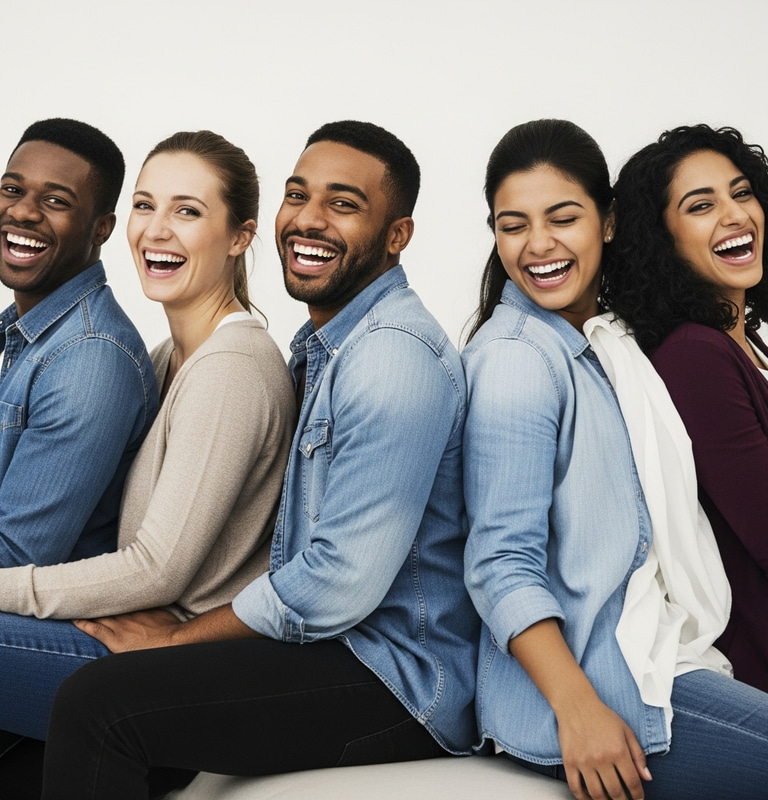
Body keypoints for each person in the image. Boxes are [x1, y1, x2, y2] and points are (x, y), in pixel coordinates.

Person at [39, 120, 479, 800]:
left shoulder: (392, 357)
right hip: (329, 647)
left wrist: (182, 643)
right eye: (298, 194)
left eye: (344, 203)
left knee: (100, 707)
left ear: (398, 237)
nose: (308, 219)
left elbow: (338, 581)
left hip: (393, 678)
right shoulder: (321, 344)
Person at [462, 119, 768, 800]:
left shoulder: (601, 347)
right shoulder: (518, 361)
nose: (538, 245)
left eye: (563, 217)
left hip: (664, 655)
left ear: (608, 224)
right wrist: (579, 709)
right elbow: (499, 562)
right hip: (615, 685)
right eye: (512, 225)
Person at [0, 130, 295, 787]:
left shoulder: (233, 369)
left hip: (166, 678)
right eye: (145, 205)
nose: (156, 231)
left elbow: (159, 568)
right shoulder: (169, 359)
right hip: (119, 645)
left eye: (187, 211)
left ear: (240, 236)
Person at [602, 124, 768, 708]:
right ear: (660, 238)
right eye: (700, 205)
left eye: (741, 194)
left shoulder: (748, 343)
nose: (734, 215)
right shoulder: (695, 356)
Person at [0, 118, 158, 568]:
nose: (24, 212)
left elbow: (16, 557)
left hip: (43, 625)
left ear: (101, 228)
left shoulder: (89, 358)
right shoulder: (25, 335)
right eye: (12, 189)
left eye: (55, 200)